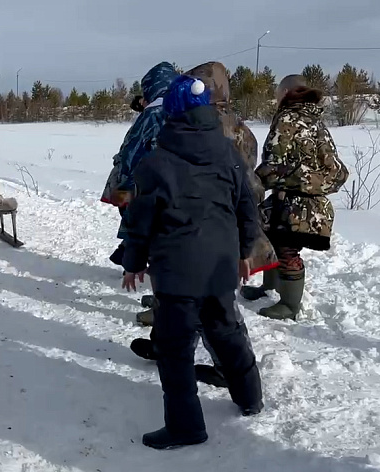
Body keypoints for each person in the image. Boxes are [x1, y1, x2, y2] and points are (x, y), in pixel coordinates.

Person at [122, 75, 263, 450]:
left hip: (177, 271)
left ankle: (186, 427)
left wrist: (133, 261)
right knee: (226, 330)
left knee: (174, 347)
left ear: (171, 113)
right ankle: (250, 397)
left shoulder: (157, 162)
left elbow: (141, 220)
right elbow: (247, 206)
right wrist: (245, 250)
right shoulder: (228, 153)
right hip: (219, 265)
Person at [242, 74, 349, 320]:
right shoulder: (315, 121)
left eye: (277, 94)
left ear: (286, 93)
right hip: (313, 203)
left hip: (296, 204)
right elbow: (334, 171)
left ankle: (290, 305)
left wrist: (253, 185)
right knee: (268, 235)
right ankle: (269, 287)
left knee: (286, 248)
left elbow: (273, 164)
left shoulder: (288, 118)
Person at [100, 62, 178, 265]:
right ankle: (130, 251)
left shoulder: (153, 113)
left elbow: (134, 152)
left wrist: (124, 181)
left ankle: (133, 256)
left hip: (142, 180)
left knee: (136, 216)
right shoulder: (181, 106)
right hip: (174, 183)